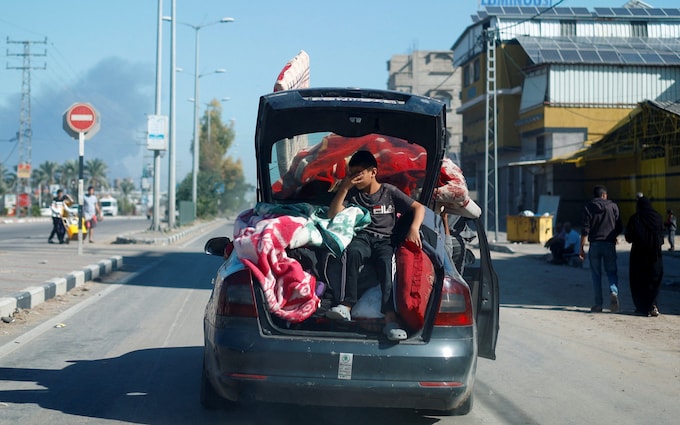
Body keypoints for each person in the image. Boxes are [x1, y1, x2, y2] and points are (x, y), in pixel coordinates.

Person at [326, 150, 425, 341]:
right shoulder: (353, 194)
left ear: (373, 172)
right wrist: (345, 188)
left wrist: (414, 228)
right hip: (363, 237)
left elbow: (418, 207)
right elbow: (333, 214)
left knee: (387, 264)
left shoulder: (388, 191)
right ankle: (346, 305)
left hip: (385, 240)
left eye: (358, 173)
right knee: (351, 252)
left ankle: (390, 317)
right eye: (351, 173)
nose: (354, 177)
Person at [579, 185, 623, 313]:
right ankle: (613, 291)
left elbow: (585, 229)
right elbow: (619, 225)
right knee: (611, 272)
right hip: (609, 244)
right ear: (604, 195)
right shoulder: (613, 206)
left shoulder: (589, 207)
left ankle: (598, 304)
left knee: (596, 275)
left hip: (595, 245)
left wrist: (581, 248)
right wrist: (614, 235)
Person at [624, 194, 664, 317]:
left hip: (638, 256)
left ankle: (642, 307)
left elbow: (628, 237)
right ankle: (653, 305)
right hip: (655, 256)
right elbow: (662, 237)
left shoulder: (635, 218)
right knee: (653, 281)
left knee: (639, 282)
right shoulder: (657, 217)